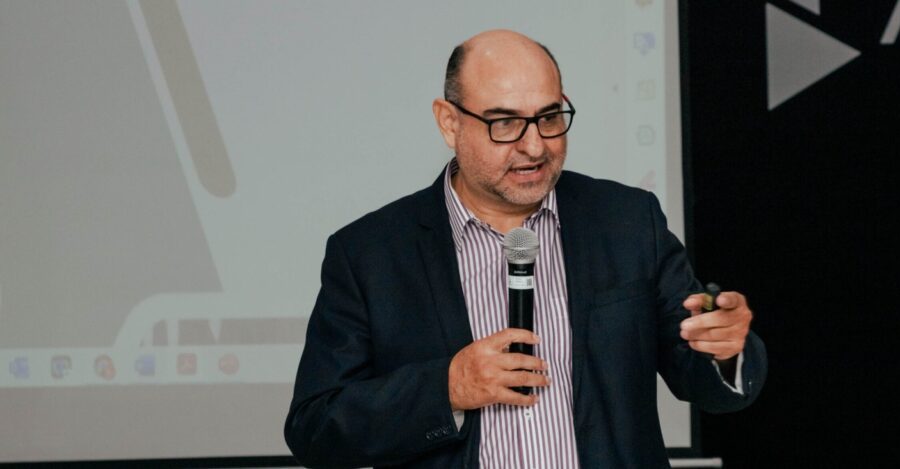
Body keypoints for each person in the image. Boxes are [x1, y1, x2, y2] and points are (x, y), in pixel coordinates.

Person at [284, 29, 766, 468]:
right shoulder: (370, 254)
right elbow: (315, 429)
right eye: (505, 123)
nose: (535, 147)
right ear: (449, 123)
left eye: (549, 117)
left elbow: (706, 378)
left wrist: (725, 349)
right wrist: (447, 388)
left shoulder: (627, 222)